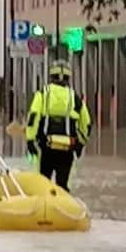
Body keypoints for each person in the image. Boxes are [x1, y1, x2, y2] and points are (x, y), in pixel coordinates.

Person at [26, 60, 92, 191]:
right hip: (67, 148)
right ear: (68, 78)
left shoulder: (42, 94)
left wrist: (30, 140)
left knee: (43, 184)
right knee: (62, 185)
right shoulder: (74, 97)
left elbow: (33, 117)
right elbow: (87, 123)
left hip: (46, 147)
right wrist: (81, 143)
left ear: (51, 77)